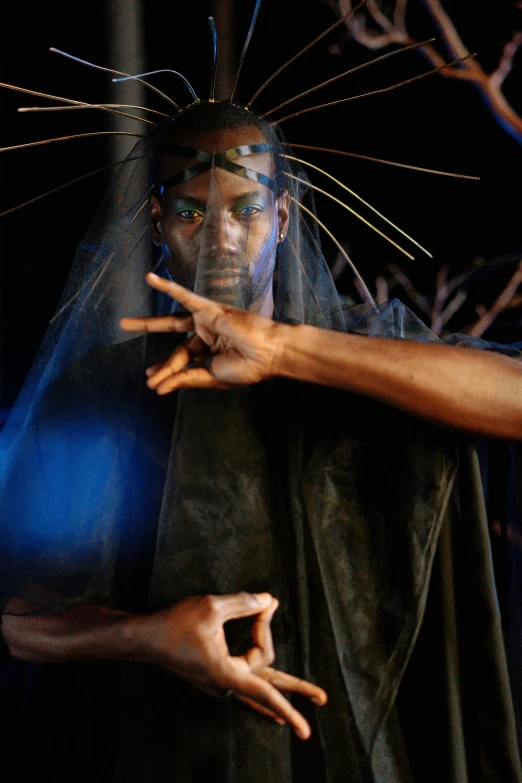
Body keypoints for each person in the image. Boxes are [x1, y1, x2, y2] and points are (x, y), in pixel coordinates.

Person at [2, 99, 522, 782]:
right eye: (191, 211)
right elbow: (21, 619)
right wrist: (148, 636)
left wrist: (284, 350)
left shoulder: (368, 355)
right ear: (157, 223)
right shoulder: (99, 392)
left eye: (246, 210)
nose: (220, 236)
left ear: (281, 217)